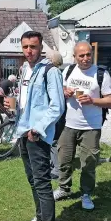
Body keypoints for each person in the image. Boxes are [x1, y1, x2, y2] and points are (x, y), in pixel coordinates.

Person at [5, 31, 65, 221]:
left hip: (36, 133)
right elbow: (26, 101)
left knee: (41, 181)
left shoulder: (50, 71)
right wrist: (13, 107)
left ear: (41, 48)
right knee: (32, 179)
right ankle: (40, 217)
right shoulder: (24, 69)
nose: (29, 51)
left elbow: (57, 106)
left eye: (33, 46)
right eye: (25, 47)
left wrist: (37, 129)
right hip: (23, 129)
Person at [53, 41, 111, 210]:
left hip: (91, 127)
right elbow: (61, 90)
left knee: (88, 163)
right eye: (81, 55)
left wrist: (93, 100)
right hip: (69, 124)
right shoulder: (68, 71)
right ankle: (64, 188)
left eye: (88, 54)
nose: (86, 58)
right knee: (64, 160)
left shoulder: (101, 74)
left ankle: (86, 194)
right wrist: (65, 92)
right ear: (75, 57)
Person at [45, 50, 64, 180]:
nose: (45, 59)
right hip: (55, 113)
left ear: (53, 60)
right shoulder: (56, 71)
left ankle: (56, 170)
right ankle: (53, 166)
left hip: (56, 114)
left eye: (47, 58)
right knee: (51, 141)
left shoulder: (55, 72)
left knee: (54, 142)